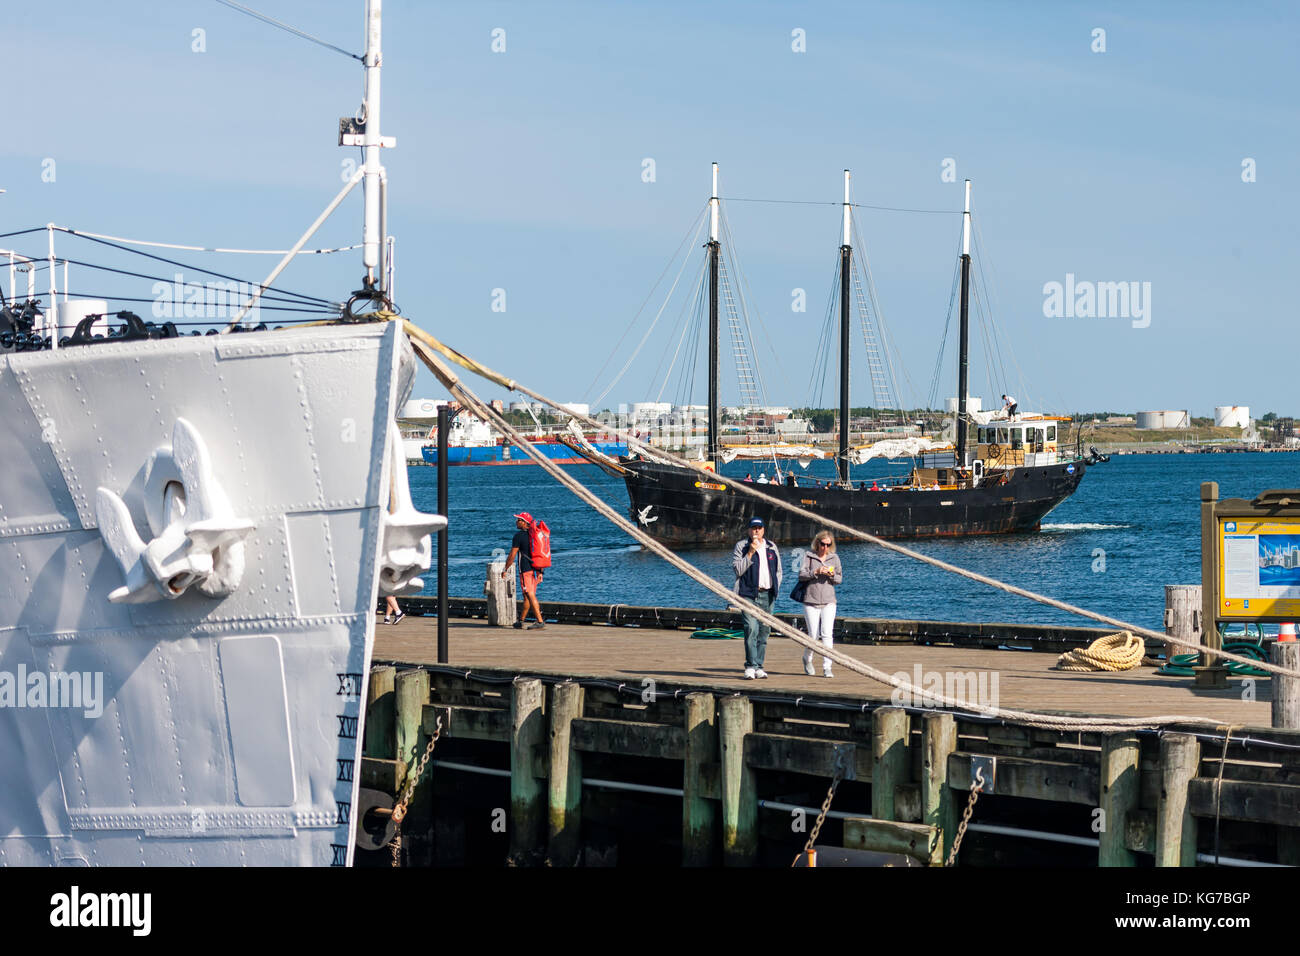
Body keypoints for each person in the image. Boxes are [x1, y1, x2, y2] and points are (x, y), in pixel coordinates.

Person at [732, 517, 781, 679]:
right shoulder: (742, 546)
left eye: (759, 528)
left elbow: (778, 571)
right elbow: (738, 570)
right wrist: (751, 552)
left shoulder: (772, 547)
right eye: (753, 528)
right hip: (748, 594)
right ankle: (750, 666)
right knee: (751, 629)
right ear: (748, 530)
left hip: (767, 594)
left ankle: (759, 665)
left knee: (764, 632)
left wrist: (776, 588)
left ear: (763, 530)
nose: (756, 531)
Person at [795, 531, 843, 677]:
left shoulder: (834, 558)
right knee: (813, 635)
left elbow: (839, 579)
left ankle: (827, 667)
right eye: (823, 544)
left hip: (829, 601)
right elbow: (801, 575)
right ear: (817, 543)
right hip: (811, 600)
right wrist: (815, 572)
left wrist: (832, 575)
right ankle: (807, 659)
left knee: (827, 634)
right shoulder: (808, 556)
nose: (825, 547)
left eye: (828, 545)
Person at [503, 512, 545, 630]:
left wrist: (505, 568)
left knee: (530, 594)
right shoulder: (534, 535)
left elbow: (512, 554)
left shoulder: (519, 536)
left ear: (525, 523)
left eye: (519, 520)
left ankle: (540, 621)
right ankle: (520, 621)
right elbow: (539, 554)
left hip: (525, 570)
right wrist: (541, 572)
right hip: (535, 569)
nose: (516, 522)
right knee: (527, 595)